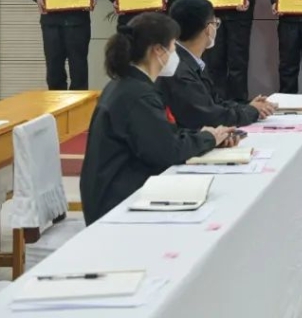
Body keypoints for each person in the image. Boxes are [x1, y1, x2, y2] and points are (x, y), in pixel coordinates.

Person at [80, 13, 239, 225]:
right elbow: (167, 151)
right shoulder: (137, 95)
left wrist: (207, 136)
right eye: (173, 46)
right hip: (117, 202)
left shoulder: (128, 85)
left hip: (118, 190)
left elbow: (162, 134)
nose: (175, 54)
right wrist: (208, 139)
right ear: (158, 50)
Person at [159, 0, 276, 129]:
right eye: (215, 22)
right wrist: (252, 111)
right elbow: (209, 116)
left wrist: (247, 107)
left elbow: (214, 103)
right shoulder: (177, 69)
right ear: (208, 29)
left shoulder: (189, 61)